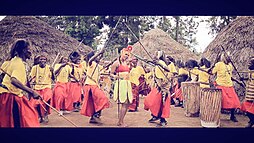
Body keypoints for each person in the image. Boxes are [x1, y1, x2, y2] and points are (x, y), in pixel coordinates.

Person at [0, 39, 41, 127]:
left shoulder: (13, 61)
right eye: (29, 49)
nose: (31, 52)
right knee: (17, 122)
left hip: (8, 94)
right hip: (9, 97)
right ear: (24, 50)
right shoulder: (18, 63)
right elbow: (14, 80)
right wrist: (32, 92)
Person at [80, 51, 110, 124]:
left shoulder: (97, 65)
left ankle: (93, 117)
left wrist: (102, 54)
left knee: (94, 102)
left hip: (94, 85)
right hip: (90, 85)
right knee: (102, 98)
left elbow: (104, 68)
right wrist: (99, 54)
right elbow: (90, 60)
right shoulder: (91, 63)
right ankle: (96, 115)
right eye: (96, 56)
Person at [211, 52, 241, 122]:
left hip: (229, 85)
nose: (230, 58)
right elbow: (212, 72)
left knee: (234, 101)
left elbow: (229, 76)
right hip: (220, 85)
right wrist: (213, 67)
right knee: (219, 101)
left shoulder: (230, 65)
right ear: (225, 57)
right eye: (228, 56)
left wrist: (237, 81)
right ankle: (215, 116)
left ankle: (232, 116)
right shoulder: (219, 64)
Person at [144, 50, 171, 126]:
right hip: (157, 86)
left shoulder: (161, 63)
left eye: (156, 54)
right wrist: (149, 61)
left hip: (162, 86)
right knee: (152, 101)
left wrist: (158, 63)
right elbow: (154, 63)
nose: (154, 55)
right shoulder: (157, 63)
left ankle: (162, 119)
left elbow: (167, 69)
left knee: (161, 102)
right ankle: (155, 116)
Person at [110, 46, 133, 127]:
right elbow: (111, 74)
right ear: (122, 53)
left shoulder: (126, 63)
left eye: (128, 55)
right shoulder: (116, 63)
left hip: (127, 83)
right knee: (124, 102)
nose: (126, 56)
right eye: (125, 54)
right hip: (121, 84)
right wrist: (116, 77)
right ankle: (120, 122)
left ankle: (121, 120)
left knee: (127, 103)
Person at [29, 52, 55, 123]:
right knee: (36, 103)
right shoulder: (35, 68)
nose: (43, 61)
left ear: (46, 60)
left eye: (44, 59)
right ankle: (40, 116)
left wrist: (52, 72)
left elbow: (53, 78)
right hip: (37, 87)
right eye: (41, 59)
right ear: (38, 60)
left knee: (47, 99)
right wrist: (32, 81)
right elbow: (32, 77)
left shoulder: (49, 68)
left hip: (47, 87)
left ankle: (46, 114)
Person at [240, 56, 254, 128]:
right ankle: (252, 120)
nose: (248, 64)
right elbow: (250, 79)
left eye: (251, 63)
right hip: (249, 95)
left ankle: (252, 121)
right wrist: (243, 79)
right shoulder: (250, 72)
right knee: (246, 107)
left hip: (253, 95)